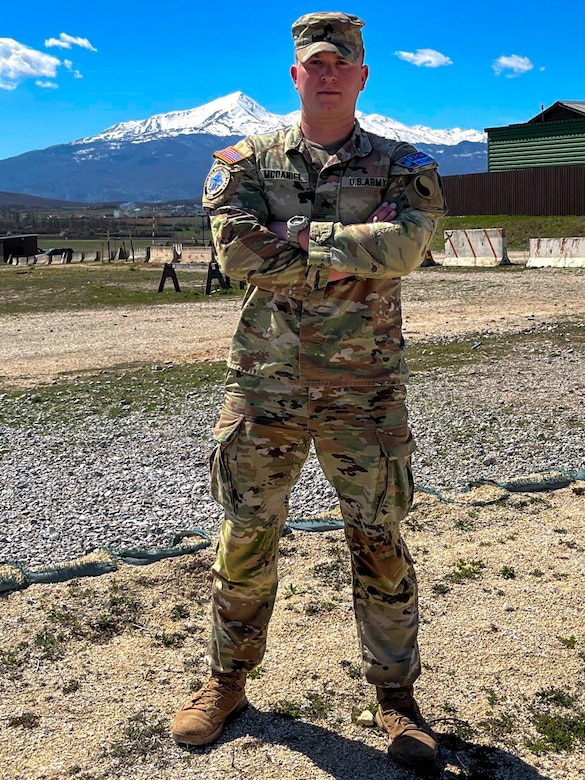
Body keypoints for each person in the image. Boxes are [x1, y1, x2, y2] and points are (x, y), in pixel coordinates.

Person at [172, 11, 447, 772]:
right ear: (295, 76)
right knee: (246, 534)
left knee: (378, 540)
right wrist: (355, 249)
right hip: (265, 386)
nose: (327, 73)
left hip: (365, 390)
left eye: (341, 63)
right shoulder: (246, 160)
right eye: (314, 63)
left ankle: (395, 699)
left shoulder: (403, 163)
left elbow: (407, 247)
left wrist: (293, 237)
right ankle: (226, 681)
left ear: (361, 76)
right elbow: (236, 253)